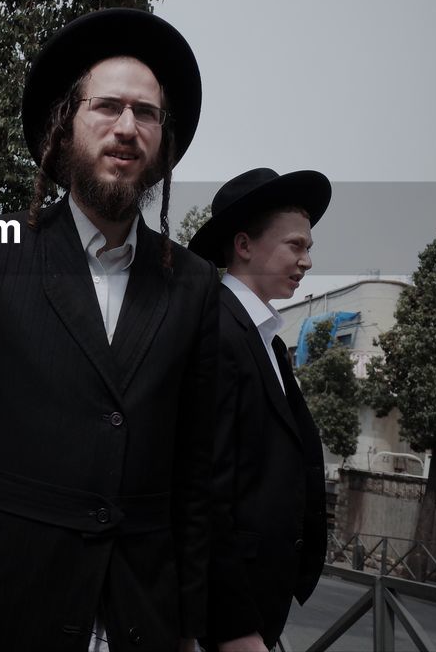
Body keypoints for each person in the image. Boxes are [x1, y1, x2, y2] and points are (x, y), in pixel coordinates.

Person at [0, 8, 219, 652]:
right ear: (65, 125)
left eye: (147, 113)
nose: (127, 128)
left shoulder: (191, 283)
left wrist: (196, 627)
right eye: (107, 107)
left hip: (138, 618)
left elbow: (197, 478)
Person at [186, 168, 332, 652]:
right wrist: (234, 628)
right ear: (244, 245)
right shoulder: (218, 330)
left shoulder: (266, 340)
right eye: (295, 245)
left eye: (308, 248)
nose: (307, 261)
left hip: (255, 608)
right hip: (228, 621)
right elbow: (202, 488)